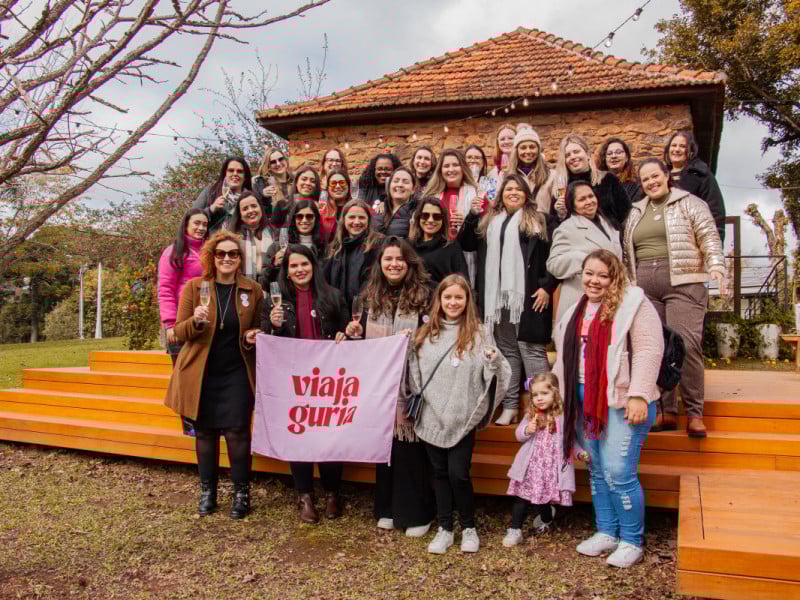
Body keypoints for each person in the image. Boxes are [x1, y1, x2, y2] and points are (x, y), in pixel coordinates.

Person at [553, 249, 663, 568]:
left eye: (603, 274)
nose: (594, 280)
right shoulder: (576, 309)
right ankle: (607, 532)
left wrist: (640, 394)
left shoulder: (634, 305)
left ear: (615, 277)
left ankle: (631, 539)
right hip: (584, 399)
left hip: (621, 400)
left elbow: (648, 349)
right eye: (589, 273)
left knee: (618, 470)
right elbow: (563, 357)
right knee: (597, 468)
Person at [164, 230, 264, 520]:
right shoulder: (195, 287)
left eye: (233, 254)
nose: (227, 259)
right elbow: (177, 333)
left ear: (240, 259)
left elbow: (253, 330)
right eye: (222, 254)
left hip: (236, 370)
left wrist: (251, 337)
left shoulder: (252, 290)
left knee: (238, 432)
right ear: (212, 257)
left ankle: (241, 493)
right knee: (205, 433)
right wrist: (195, 321)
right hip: (201, 371)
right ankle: (208, 491)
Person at [622, 158, 726, 438]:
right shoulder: (634, 211)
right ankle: (666, 411)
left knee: (686, 345)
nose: (651, 182)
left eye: (655, 176)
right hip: (644, 287)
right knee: (654, 347)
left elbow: (708, 236)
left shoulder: (690, 203)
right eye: (645, 180)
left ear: (667, 175)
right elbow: (625, 251)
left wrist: (716, 264)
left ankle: (694, 413)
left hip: (684, 281)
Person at [410, 274, 511, 555]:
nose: (453, 302)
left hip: (462, 417)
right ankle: (445, 529)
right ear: (439, 300)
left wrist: (492, 363)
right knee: (440, 474)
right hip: (432, 416)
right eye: (448, 297)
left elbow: (494, 372)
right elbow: (416, 373)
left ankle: (468, 527)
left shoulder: (479, 333)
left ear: (467, 301)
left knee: (459, 475)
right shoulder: (425, 333)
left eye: (458, 297)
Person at [346, 238, 435, 537]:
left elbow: (439, 333)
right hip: (381, 382)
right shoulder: (371, 296)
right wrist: (353, 333)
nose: (394, 264)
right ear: (380, 264)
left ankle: (417, 513)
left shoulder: (427, 295)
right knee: (385, 447)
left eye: (399, 259)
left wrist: (419, 336)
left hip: (414, 383)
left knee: (410, 449)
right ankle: (386, 508)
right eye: (388, 259)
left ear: (410, 263)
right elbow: (365, 342)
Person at [459, 174, 558, 426]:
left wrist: (547, 286)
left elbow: (554, 256)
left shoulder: (540, 221)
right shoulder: (489, 222)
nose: (513, 192)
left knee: (531, 349)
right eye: (508, 189)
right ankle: (511, 406)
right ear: (501, 194)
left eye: (518, 189)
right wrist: (472, 214)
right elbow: (466, 243)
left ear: (527, 194)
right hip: (497, 298)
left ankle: (544, 408)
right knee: (507, 352)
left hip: (530, 296)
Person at [262, 243, 350, 523]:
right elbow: (265, 341)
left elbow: (347, 330)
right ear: (286, 272)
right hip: (292, 380)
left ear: (314, 266)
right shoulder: (275, 302)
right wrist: (272, 326)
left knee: (328, 434)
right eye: (293, 266)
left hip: (326, 379)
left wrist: (343, 336)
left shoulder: (333, 297)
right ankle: (305, 496)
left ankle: (333, 493)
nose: (300, 270)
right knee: (297, 434)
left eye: (304, 264)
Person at [502, 372, 587, 547]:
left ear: (555, 393)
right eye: (535, 395)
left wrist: (579, 453)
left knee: (543, 499)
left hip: (550, 469)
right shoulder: (531, 414)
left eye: (544, 393)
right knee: (521, 497)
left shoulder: (563, 417)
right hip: (530, 466)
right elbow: (519, 435)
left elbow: (571, 440)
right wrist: (527, 430)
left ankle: (547, 518)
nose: (539, 398)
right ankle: (515, 530)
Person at [547, 181, 623, 324]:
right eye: (582, 199)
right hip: (580, 298)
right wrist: (585, 261)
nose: (589, 201)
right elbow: (553, 264)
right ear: (573, 205)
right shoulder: (567, 228)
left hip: (609, 298)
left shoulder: (607, 224)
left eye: (591, 196)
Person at [158, 209, 208, 367]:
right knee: (182, 373)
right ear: (186, 225)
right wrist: (170, 325)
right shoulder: (173, 252)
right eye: (197, 223)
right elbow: (165, 290)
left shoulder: (208, 251)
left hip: (204, 319)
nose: (201, 228)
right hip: (181, 320)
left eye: (205, 225)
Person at [421, 148, 479, 284]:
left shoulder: (476, 193)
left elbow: (485, 227)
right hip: (436, 256)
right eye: (446, 166)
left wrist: (468, 221)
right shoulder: (430, 195)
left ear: (463, 167)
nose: (451, 169)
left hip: (466, 255)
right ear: (440, 170)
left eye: (455, 165)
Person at [549, 135, 630, 229]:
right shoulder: (561, 187)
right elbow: (555, 227)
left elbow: (626, 215)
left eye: (576, 152)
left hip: (610, 239)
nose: (573, 157)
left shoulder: (607, 179)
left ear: (587, 154)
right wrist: (560, 215)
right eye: (568, 155)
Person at [664, 130, 726, 242]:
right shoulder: (660, 176)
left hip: (692, 239)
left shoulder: (701, 175)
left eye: (682, 146)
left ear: (691, 151)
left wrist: (715, 244)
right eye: (674, 145)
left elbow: (716, 212)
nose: (677, 149)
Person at [324, 199, 384, 309]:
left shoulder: (379, 244)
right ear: (344, 220)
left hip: (367, 309)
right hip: (338, 310)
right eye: (352, 217)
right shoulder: (334, 247)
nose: (356, 222)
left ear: (368, 220)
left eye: (361, 217)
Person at [408, 197, 470, 287]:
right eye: (425, 215)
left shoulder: (451, 247)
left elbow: (463, 283)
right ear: (418, 217)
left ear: (443, 220)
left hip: (442, 299)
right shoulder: (409, 245)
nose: (430, 220)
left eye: (436, 217)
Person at [261, 200, 325, 286]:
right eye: (299, 216)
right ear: (293, 219)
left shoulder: (324, 247)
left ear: (316, 219)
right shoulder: (277, 247)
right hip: (287, 297)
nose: (304, 220)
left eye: (309, 216)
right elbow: (264, 283)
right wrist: (274, 264)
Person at [192, 157, 253, 233]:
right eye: (231, 170)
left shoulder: (251, 199)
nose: (235, 174)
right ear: (225, 174)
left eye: (240, 171)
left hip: (240, 242)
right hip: (210, 243)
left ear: (245, 177)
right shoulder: (210, 192)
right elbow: (191, 219)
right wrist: (212, 209)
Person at [505, 125, 556, 213]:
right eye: (523, 148)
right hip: (515, 225)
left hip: (542, 224)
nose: (528, 151)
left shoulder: (551, 175)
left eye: (532, 147)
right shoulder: (506, 176)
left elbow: (557, 208)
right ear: (517, 151)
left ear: (538, 150)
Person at [229, 191, 274, 286]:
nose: (250, 211)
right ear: (240, 215)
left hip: (271, 285)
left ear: (260, 208)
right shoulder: (233, 237)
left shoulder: (273, 231)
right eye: (245, 209)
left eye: (254, 206)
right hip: (243, 287)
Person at [271, 165, 321, 229]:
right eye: (304, 179)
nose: (308, 183)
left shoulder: (321, 208)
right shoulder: (282, 205)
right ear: (296, 182)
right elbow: (273, 232)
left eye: (313, 181)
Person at [598, 138, 642, 203]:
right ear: (605, 159)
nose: (613, 156)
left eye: (618, 152)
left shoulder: (636, 185)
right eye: (609, 153)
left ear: (626, 157)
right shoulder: (597, 184)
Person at [377, 166, 417, 238]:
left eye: (405, 182)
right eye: (396, 181)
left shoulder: (416, 213)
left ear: (413, 189)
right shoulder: (378, 210)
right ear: (389, 187)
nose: (400, 185)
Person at [253, 146, 292, 213]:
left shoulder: (296, 180)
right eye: (273, 162)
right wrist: (263, 196)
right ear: (268, 166)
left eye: (280, 159)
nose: (278, 164)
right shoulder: (263, 185)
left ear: (286, 160)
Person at [485, 123, 517, 204]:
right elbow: (492, 200)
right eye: (502, 139)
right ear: (498, 143)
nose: (506, 142)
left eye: (510, 138)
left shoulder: (525, 167)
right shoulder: (492, 174)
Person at [319, 168, 352, 244]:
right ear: (328, 187)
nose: (338, 186)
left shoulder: (357, 209)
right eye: (333, 183)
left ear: (348, 185)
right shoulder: (321, 211)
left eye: (342, 183)